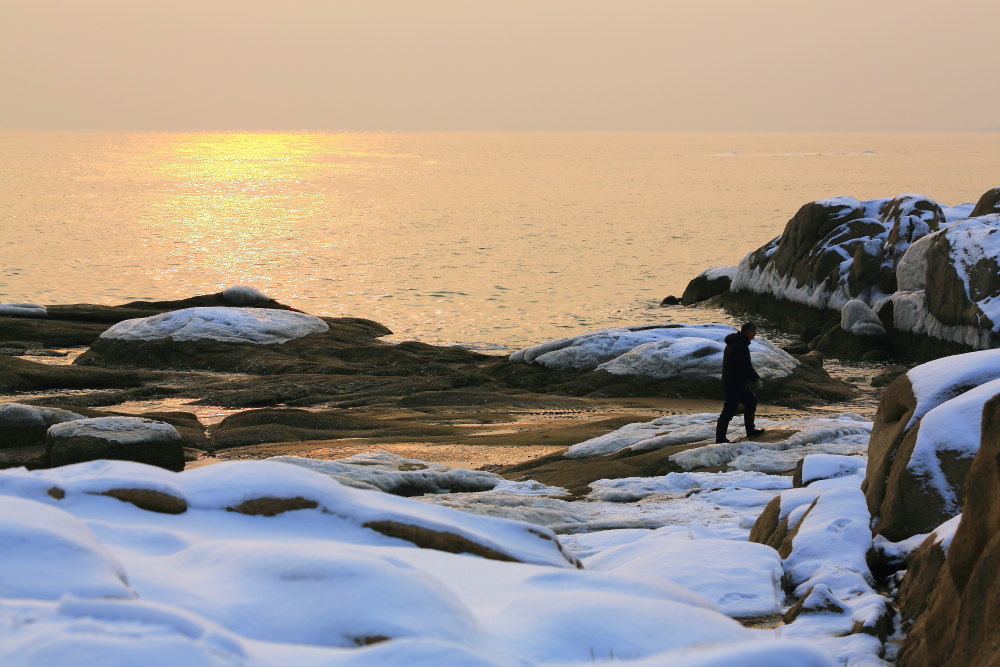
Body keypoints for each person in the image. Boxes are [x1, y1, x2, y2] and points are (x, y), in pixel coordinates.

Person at [715, 322, 766, 443]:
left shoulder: (736, 342)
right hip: (734, 383)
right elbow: (745, 366)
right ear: (748, 332)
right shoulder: (739, 345)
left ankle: (751, 430)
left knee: (751, 401)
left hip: (737, 382)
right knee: (729, 409)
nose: (755, 335)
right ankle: (720, 438)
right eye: (754, 332)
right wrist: (756, 379)